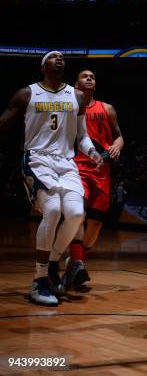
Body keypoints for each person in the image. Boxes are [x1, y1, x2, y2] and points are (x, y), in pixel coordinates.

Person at [0, 52, 102, 306]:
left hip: (66, 163)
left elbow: (83, 136)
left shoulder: (76, 96)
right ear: (43, 65)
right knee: (54, 209)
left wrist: (91, 152)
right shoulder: (27, 94)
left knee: (77, 214)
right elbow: (3, 123)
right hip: (37, 159)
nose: (60, 59)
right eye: (53, 57)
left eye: (62, 57)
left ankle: (53, 261)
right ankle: (39, 280)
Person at [63, 69, 124, 289]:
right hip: (77, 167)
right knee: (79, 212)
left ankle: (75, 262)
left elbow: (118, 135)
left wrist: (117, 144)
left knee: (96, 223)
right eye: (84, 76)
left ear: (95, 85)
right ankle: (77, 262)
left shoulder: (107, 108)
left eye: (93, 77)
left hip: (102, 170)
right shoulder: (69, 107)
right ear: (76, 84)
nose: (89, 78)